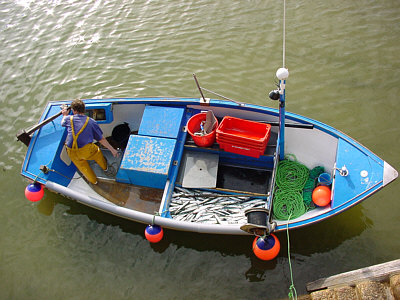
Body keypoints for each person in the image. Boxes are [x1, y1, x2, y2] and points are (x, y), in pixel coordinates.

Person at [61, 99, 119, 184]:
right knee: (98, 152)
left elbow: (62, 122)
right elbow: (101, 139)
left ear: (74, 110)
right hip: (86, 150)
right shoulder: (91, 122)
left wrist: (65, 114)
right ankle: (105, 168)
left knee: (83, 167)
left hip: (71, 150)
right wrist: (112, 150)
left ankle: (94, 182)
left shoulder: (68, 119)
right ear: (84, 110)